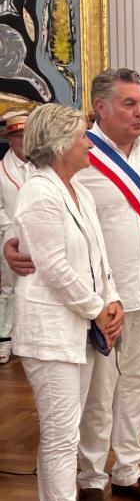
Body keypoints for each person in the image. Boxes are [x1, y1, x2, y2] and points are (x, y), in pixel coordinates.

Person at [4, 68, 140, 501]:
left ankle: (129, 469)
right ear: (101, 108)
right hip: (89, 304)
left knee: (136, 385)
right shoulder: (76, 154)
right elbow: (24, 222)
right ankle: (91, 480)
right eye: (129, 104)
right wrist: (8, 247)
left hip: (136, 291)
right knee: (99, 395)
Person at [13, 103, 123, 501]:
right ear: (59, 144)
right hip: (51, 333)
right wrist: (97, 309)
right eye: (83, 136)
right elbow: (54, 268)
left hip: (80, 327)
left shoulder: (79, 190)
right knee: (62, 440)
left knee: (64, 434)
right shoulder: (39, 194)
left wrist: (112, 300)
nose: (90, 143)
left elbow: (99, 257)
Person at [0, 115, 32, 364]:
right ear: (10, 140)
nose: (23, 140)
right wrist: (12, 232)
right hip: (9, 240)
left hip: (39, 238)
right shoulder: (1, 171)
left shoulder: (42, 166)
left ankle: (30, 339)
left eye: (26, 135)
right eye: (18, 136)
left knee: (37, 287)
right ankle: (4, 341)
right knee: (8, 289)